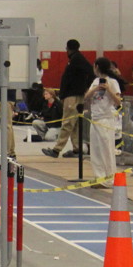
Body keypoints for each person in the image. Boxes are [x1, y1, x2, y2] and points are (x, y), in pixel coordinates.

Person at [43, 39, 94, 159]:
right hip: (73, 94)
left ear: (68, 48)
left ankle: (56, 150)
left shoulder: (77, 59)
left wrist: (84, 87)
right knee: (74, 124)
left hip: (73, 96)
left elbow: (91, 72)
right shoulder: (75, 59)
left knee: (67, 122)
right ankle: (77, 149)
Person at [84, 57, 122, 187]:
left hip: (106, 119)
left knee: (106, 150)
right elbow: (86, 97)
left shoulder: (113, 82)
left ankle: (109, 179)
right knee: (95, 150)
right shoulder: (95, 82)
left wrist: (108, 89)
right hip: (95, 118)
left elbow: (118, 101)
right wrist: (95, 88)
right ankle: (99, 177)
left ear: (97, 67)